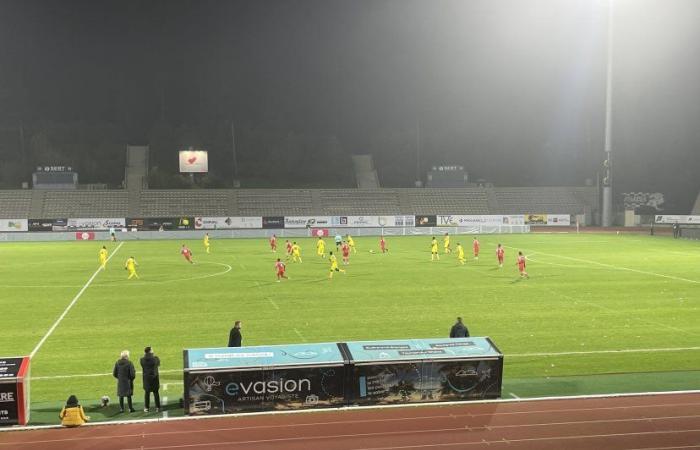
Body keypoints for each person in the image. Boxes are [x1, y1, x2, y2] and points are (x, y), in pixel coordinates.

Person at [140, 347, 161, 413]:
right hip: (154, 378)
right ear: (150, 351)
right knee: (156, 393)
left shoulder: (142, 360)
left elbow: (143, 365)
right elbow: (158, 364)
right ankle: (157, 407)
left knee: (147, 393)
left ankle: (146, 407)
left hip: (146, 379)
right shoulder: (156, 359)